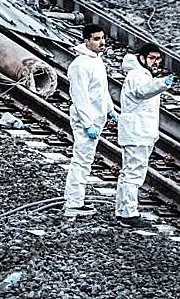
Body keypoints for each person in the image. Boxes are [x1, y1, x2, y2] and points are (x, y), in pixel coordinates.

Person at [114, 43, 175, 229]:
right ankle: (129, 214)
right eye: (152, 58)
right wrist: (161, 84)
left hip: (140, 132)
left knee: (129, 172)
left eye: (158, 59)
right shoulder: (137, 75)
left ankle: (123, 210)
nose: (156, 62)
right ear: (142, 58)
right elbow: (143, 92)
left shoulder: (143, 75)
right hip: (137, 133)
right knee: (134, 173)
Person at [63, 23, 115, 217]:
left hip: (96, 118)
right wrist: (87, 123)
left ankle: (76, 200)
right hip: (87, 120)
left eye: (102, 38)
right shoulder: (80, 65)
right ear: (86, 41)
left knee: (86, 159)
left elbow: (101, 90)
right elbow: (80, 96)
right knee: (82, 160)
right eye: (96, 39)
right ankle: (74, 203)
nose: (102, 42)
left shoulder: (96, 61)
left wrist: (110, 110)